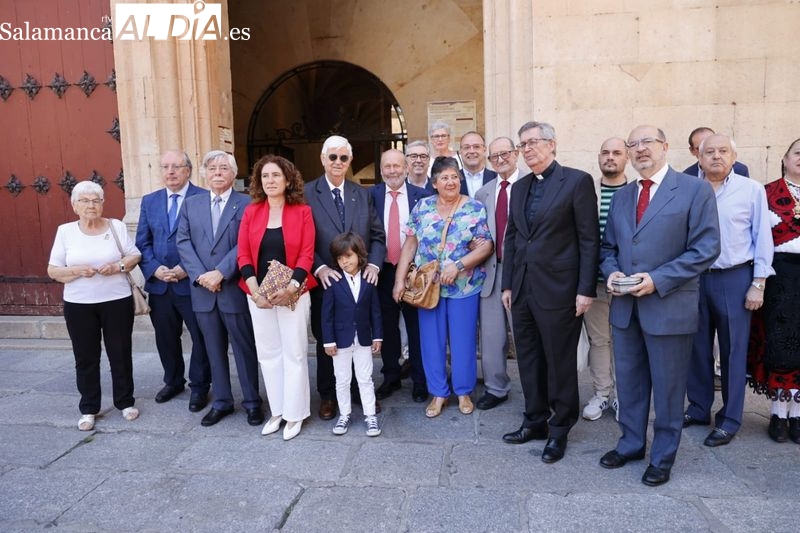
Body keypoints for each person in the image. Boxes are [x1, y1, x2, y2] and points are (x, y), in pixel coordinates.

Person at [599, 125, 720, 487]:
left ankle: (663, 456)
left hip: (668, 307)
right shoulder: (623, 196)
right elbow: (609, 248)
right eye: (633, 144)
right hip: (625, 309)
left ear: (665, 146)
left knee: (668, 389)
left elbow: (705, 249)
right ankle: (631, 443)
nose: (640, 149)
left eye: (647, 142)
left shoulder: (694, 190)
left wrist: (657, 279)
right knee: (630, 383)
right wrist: (611, 272)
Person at [500, 121, 599, 464]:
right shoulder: (520, 186)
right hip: (523, 289)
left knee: (559, 362)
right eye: (522, 144)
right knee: (528, 358)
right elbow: (513, 237)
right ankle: (535, 420)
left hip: (561, 290)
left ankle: (560, 429)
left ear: (552, 144)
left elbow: (589, 240)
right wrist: (508, 284)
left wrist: (585, 289)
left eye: (533, 142)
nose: (527, 149)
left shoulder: (577, 181)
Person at [685, 134, 774, 447]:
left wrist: (758, 284)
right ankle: (698, 408)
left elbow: (763, 238)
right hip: (694, 278)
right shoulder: (689, 189)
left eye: (723, 151)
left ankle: (730, 419)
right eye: (709, 151)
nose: (716, 156)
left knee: (733, 350)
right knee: (696, 347)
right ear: (699, 158)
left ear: (734, 157)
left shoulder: (751, 190)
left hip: (734, 278)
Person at [393, 156, 493, 418]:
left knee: (463, 341)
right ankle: (438, 393)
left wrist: (458, 265)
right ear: (434, 183)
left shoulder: (474, 208)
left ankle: (463, 391)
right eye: (444, 178)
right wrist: (399, 280)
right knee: (431, 342)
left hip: (464, 286)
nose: (450, 182)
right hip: (428, 288)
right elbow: (410, 245)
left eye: (454, 177)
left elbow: (486, 246)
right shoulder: (422, 207)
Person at [176, 150, 264, 428]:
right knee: (212, 349)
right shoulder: (191, 204)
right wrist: (200, 275)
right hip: (203, 290)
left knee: (244, 348)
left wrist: (221, 272)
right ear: (204, 173)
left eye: (224, 168)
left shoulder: (247, 203)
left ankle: (252, 402)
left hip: (233, 288)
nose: (217, 172)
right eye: (212, 168)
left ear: (234, 173)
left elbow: (248, 242)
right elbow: (183, 242)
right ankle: (222, 401)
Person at [47, 180, 142, 431]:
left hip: (116, 301)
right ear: (74, 205)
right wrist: (77, 270)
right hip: (79, 304)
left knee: (120, 353)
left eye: (96, 200)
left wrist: (117, 266)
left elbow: (134, 255)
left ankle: (125, 402)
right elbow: (53, 270)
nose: (91, 205)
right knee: (85, 356)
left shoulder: (116, 226)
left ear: (102, 203)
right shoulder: (65, 231)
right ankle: (89, 408)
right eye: (85, 201)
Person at [304, 135, 386, 420]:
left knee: (359, 335)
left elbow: (377, 235)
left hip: (359, 282)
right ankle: (328, 395)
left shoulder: (362, 194)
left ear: (350, 160)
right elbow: (302, 239)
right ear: (323, 159)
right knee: (327, 335)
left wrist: (373, 265)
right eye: (332, 157)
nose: (338, 162)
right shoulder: (306, 193)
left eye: (343, 157)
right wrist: (319, 268)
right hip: (326, 282)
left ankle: (358, 392)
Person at [238, 155, 316, 441]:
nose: (270, 180)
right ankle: (278, 411)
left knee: (294, 353)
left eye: (276, 175)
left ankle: (295, 413)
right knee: (268, 354)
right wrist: (255, 290)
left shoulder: (302, 212)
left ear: (288, 180)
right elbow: (243, 254)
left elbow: (307, 254)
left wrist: (292, 287)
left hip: (293, 293)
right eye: (265, 176)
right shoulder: (251, 212)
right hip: (258, 295)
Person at [135, 150, 211, 411]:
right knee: (166, 337)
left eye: (176, 166)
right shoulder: (150, 201)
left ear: (188, 170)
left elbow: (208, 242)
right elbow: (142, 242)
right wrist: (154, 269)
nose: (170, 172)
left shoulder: (203, 198)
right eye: (165, 166)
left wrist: (185, 269)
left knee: (201, 337)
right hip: (160, 285)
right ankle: (173, 381)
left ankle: (199, 386)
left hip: (193, 285)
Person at [748, 138, 800, 444]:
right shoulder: (766, 192)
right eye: (798, 153)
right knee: (780, 346)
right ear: (785, 157)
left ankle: (797, 414)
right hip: (779, 277)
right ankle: (779, 413)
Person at [369, 149, 431, 403]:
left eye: (397, 166)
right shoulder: (370, 196)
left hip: (414, 272)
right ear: (381, 170)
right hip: (382, 270)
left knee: (417, 328)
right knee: (387, 327)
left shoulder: (423, 196)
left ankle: (419, 380)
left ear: (406, 168)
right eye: (387, 166)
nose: (392, 171)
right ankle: (391, 376)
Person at [582, 137, 628, 421]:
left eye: (617, 153)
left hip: (628, 284)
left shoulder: (636, 191)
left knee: (625, 341)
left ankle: (624, 397)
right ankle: (601, 393)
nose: (610, 157)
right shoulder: (588, 192)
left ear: (627, 158)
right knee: (599, 340)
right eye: (605, 152)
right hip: (595, 282)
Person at [474, 136, 519, 410]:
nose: (500, 159)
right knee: (492, 337)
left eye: (505, 153)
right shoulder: (484, 193)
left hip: (523, 273)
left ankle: (536, 388)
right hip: (492, 271)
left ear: (516, 154)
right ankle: (496, 387)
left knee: (525, 334)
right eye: (495, 156)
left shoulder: (530, 185)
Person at [323, 233, 383, 437]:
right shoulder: (333, 282)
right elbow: (327, 315)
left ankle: (370, 415)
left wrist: (378, 336)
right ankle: (344, 414)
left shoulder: (369, 280)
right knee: (342, 379)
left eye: (348, 256)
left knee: (365, 378)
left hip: (364, 339)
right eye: (340, 258)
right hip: (340, 340)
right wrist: (328, 341)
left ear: (359, 254)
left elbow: (375, 311)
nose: (344, 261)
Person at [684, 127, 750, 177]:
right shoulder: (687, 176)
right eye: (709, 151)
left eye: (722, 150)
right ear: (692, 151)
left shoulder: (739, 170)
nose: (716, 156)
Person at [459, 131, 496, 197]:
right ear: (460, 151)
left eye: (476, 147)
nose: (472, 151)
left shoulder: (496, 178)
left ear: (484, 150)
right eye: (466, 147)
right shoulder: (453, 180)